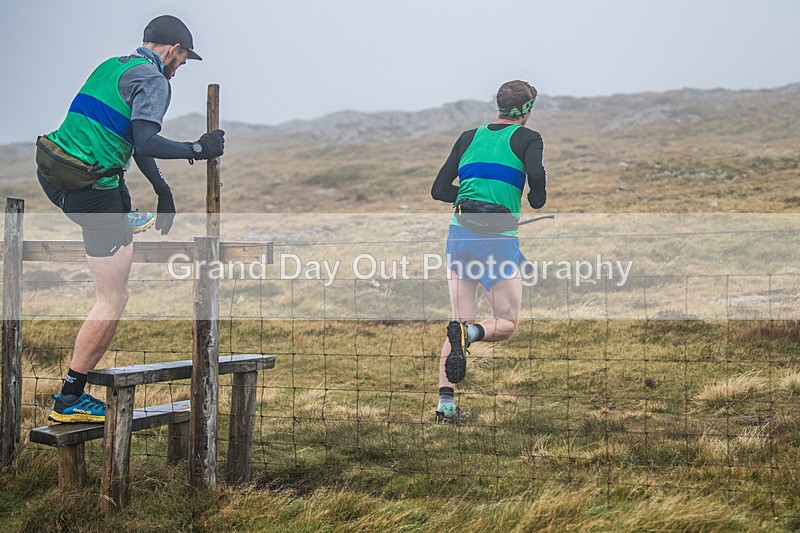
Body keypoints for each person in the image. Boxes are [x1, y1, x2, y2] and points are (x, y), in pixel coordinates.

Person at [37, 15, 225, 423]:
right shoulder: (156, 81)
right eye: (185, 58)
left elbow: (132, 143)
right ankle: (70, 398)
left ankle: (126, 216)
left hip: (54, 172)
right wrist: (199, 148)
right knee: (114, 297)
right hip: (89, 191)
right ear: (173, 50)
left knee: (116, 191)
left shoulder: (113, 66)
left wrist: (163, 190)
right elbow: (147, 140)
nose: (183, 66)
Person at [430, 80, 548, 423]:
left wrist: (470, 201)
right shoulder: (529, 138)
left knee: (458, 321)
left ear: (498, 106)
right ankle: (471, 334)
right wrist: (536, 198)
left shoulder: (469, 137)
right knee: (506, 323)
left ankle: (445, 408)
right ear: (526, 110)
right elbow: (537, 173)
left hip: (459, 236)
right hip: (496, 239)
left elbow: (439, 190)